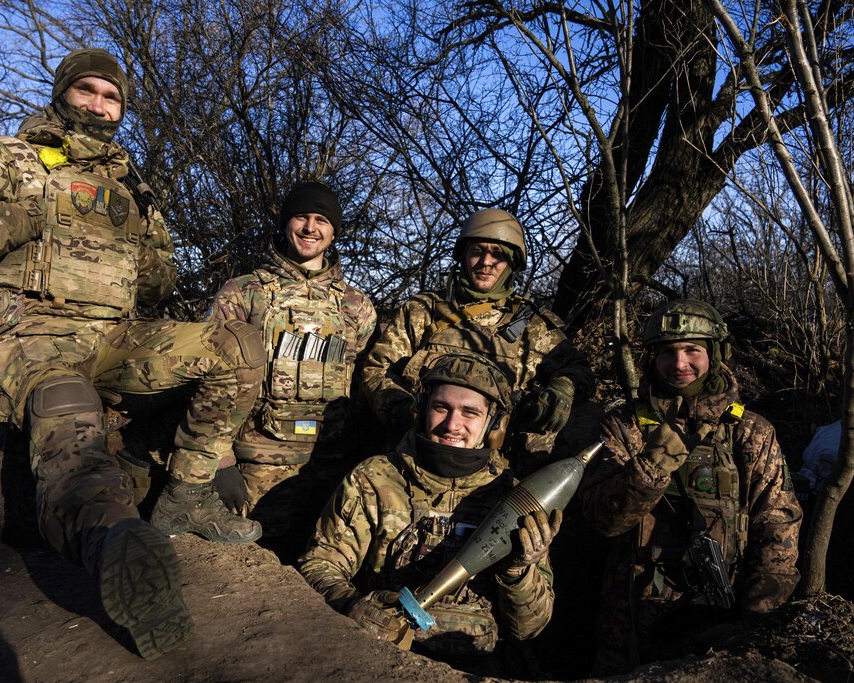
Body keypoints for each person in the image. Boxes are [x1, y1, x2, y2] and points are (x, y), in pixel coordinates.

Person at [0, 48, 265, 659]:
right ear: (63, 92)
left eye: (112, 97)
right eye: (88, 91)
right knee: (66, 405)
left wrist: (144, 251)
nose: (99, 105)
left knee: (235, 344)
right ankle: (113, 541)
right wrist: (32, 214)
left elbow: (156, 285)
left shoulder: (131, 186)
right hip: (25, 335)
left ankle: (186, 494)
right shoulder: (6, 158)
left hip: (110, 337)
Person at [578, 299, 802, 674]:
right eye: (667, 352)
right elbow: (603, 520)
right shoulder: (623, 425)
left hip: (722, 623)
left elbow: (778, 527)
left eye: (692, 350)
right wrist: (650, 468)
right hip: (630, 630)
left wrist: (757, 618)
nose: (679, 364)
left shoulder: (749, 431)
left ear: (715, 355)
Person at [299, 353, 559, 673]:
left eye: (470, 413)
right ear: (421, 410)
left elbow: (528, 629)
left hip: (475, 666)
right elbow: (320, 563)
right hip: (381, 654)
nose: (452, 425)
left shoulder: (513, 499)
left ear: (494, 423)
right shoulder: (376, 478)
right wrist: (348, 602)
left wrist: (519, 572)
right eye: (441, 408)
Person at [360, 208, 599, 466]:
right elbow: (378, 369)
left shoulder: (534, 326)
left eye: (498, 254)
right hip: (415, 455)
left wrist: (562, 388)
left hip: (494, 467)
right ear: (463, 256)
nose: (486, 262)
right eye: (477, 251)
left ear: (512, 263)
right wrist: (410, 415)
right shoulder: (423, 311)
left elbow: (578, 371)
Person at [206, 181, 377, 540]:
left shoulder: (356, 306)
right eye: (301, 217)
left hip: (329, 468)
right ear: (286, 223)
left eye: (321, 220)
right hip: (258, 465)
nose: (310, 228)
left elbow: (361, 386)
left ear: (333, 232)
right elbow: (209, 382)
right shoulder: (243, 294)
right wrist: (220, 460)